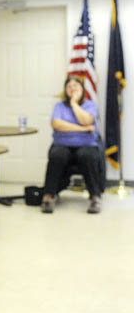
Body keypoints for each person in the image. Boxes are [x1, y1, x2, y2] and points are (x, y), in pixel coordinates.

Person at [41, 75, 103, 214]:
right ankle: (49, 195)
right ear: (65, 90)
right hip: (62, 143)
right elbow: (56, 124)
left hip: (87, 144)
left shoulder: (90, 105)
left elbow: (86, 120)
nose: (72, 89)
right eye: (69, 86)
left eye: (76, 86)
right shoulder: (59, 106)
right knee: (57, 155)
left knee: (88, 156)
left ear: (82, 89)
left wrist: (74, 104)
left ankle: (95, 197)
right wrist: (82, 129)